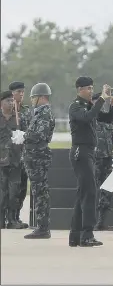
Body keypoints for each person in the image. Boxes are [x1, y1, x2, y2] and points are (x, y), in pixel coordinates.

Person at [68, 77, 113, 247]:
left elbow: (106, 118)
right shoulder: (75, 106)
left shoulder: (88, 106)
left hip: (89, 152)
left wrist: (111, 104)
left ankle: (76, 235)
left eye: (92, 88)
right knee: (90, 193)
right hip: (80, 151)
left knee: (83, 193)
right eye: (88, 88)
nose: (91, 91)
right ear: (79, 89)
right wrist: (101, 99)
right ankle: (87, 234)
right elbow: (88, 117)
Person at [23, 83, 55, 239]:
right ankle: (42, 226)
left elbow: (40, 135)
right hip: (34, 157)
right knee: (38, 191)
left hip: (38, 158)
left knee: (40, 192)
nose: (32, 100)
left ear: (42, 97)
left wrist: (23, 136)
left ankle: (43, 228)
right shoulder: (38, 113)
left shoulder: (44, 114)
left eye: (34, 97)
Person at [90, 92, 113, 231]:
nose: (100, 106)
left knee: (107, 191)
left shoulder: (108, 120)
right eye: (97, 103)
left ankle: (101, 222)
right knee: (92, 191)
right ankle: (90, 221)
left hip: (107, 159)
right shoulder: (91, 117)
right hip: (94, 159)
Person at [0, 91, 24, 229]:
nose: (10, 103)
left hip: (15, 160)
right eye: (7, 101)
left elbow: (27, 134)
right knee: (2, 193)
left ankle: (12, 220)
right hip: (1, 161)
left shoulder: (19, 118)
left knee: (14, 191)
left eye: (11, 101)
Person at [9, 81, 31, 228]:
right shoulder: (6, 110)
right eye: (18, 92)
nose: (21, 94)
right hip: (10, 156)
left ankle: (16, 217)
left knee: (22, 188)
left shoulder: (27, 110)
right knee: (11, 188)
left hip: (24, 155)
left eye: (23, 92)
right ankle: (8, 218)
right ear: (12, 93)